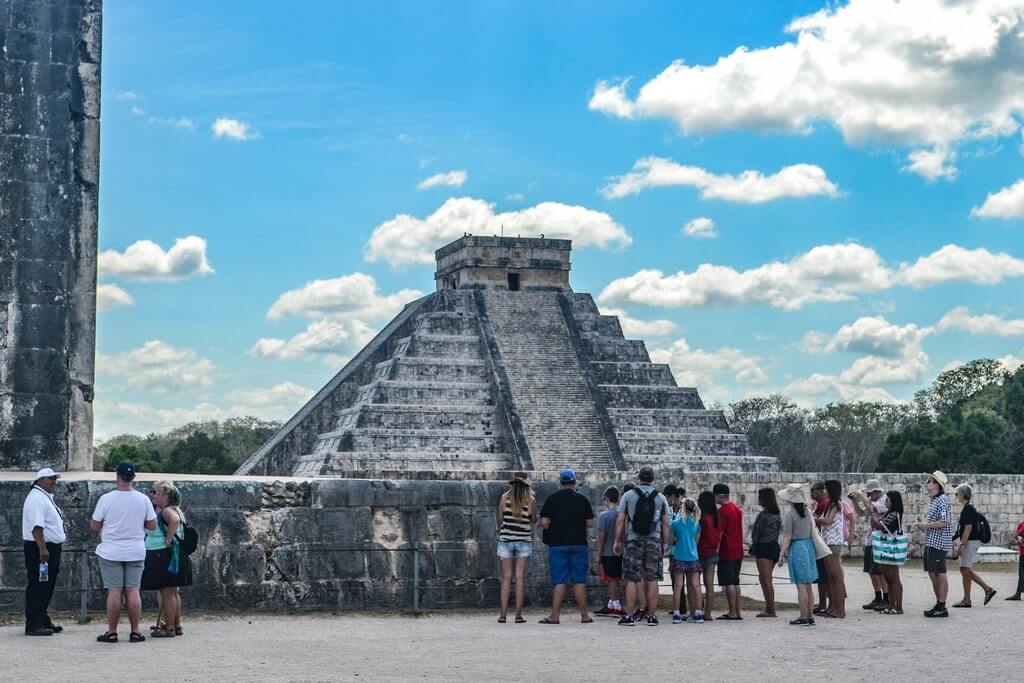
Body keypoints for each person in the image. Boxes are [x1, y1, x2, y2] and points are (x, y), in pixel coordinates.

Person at [91, 462, 158, 643]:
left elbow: (94, 524)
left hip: (111, 550)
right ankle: (135, 631)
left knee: (114, 591)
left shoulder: (106, 499)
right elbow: (152, 525)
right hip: (135, 550)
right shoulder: (143, 499)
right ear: (133, 478)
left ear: (117, 476)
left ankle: (112, 632)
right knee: (133, 590)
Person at [614, 466, 670, 626]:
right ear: (652, 479)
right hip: (653, 539)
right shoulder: (660, 498)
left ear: (639, 478)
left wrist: (618, 540)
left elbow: (620, 520)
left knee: (632, 578)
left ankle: (630, 616)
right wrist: (664, 544)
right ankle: (651, 616)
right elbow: (666, 523)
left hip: (633, 539)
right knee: (652, 578)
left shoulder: (628, 496)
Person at [538, 469, 594, 624]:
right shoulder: (582, 499)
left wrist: (555, 526)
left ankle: (555, 616)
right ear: (574, 482)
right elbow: (589, 523)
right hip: (578, 543)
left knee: (559, 580)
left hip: (558, 544)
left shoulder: (552, 499)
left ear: (561, 483)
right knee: (579, 580)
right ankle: (584, 615)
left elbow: (543, 522)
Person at [142, 481, 191, 637]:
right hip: (171, 555)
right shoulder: (174, 509)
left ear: (165, 496)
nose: (152, 495)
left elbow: (174, 521)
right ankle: (175, 625)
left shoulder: (167, 512)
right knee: (172, 592)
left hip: (162, 555)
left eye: (155, 492)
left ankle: (168, 628)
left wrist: (168, 539)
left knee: (167, 593)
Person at [21, 468, 67, 636]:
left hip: (47, 546)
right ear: (40, 481)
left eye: (55, 479)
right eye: (51, 479)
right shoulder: (37, 499)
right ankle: (33, 623)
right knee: (38, 585)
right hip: (41, 547)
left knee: (46, 585)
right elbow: (37, 526)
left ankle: (42, 617)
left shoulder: (43, 497)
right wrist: (42, 548)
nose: (54, 482)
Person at [495, 472, 536, 623]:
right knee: (520, 578)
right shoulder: (530, 500)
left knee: (506, 578)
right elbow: (533, 520)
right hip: (523, 540)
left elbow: (502, 518)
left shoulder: (504, 498)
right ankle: (518, 615)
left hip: (506, 539)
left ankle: (503, 615)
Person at [856, 489, 905, 615]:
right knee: (889, 579)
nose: (886, 501)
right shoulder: (891, 512)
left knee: (893, 578)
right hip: (888, 548)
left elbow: (881, 527)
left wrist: (873, 514)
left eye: (888, 499)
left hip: (889, 549)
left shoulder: (894, 514)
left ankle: (897, 606)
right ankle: (892, 605)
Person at [777, 484, 818, 626]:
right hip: (808, 545)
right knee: (808, 585)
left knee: (801, 585)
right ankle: (810, 615)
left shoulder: (790, 514)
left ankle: (803, 616)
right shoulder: (808, 512)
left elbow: (787, 537)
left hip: (797, 547)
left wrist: (781, 554)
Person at [913, 470, 952, 618]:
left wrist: (926, 526)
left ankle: (941, 605)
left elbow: (944, 522)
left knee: (939, 573)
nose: (927, 483)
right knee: (932, 572)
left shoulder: (942, 500)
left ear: (936, 485)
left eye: (930, 481)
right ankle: (939, 603)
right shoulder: (935, 500)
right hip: (932, 541)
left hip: (939, 542)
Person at [951, 484, 996, 608]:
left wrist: (962, 544)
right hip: (971, 541)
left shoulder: (968, 509)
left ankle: (968, 599)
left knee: (964, 569)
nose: (956, 496)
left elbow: (968, 528)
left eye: (957, 494)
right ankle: (987, 590)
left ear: (963, 495)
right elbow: (962, 529)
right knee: (965, 569)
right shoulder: (967, 509)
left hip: (970, 542)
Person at [849, 479, 889, 610]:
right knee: (871, 571)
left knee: (880, 572)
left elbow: (871, 510)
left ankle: (886, 598)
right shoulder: (872, 501)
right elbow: (861, 513)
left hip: (881, 540)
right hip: (871, 539)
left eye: (870, 493)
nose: (869, 496)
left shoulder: (883, 501)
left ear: (877, 492)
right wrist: (855, 501)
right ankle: (878, 597)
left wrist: (861, 496)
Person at [669, 498, 704, 623]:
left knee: (678, 586)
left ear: (682, 508)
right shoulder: (696, 523)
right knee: (696, 585)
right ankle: (699, 613)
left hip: (679, 556)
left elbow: (670, 541)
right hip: (693, 557)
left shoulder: (675, 523)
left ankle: (676, 613)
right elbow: (696, 541)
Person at [713, 483, 744, 620]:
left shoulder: (723, 511)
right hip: (738, 549)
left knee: (728, 582)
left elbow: (719, 532)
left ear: (719, 495)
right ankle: (737, 611)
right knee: (736, 581)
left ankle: (732, 611)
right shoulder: (737, 509)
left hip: (727, 550)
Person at [750, 487, 781, 618]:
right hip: (773, 546)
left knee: (765, 580)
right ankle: (769, 608)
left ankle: (770, 609)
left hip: (763, 547)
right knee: (767, 579)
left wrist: (753, 544)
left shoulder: (763, 515)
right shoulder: (777, 515)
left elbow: (756, 533)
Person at [819, 480, 847, 618]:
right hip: (827, 542)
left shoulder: (836, 504)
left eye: (825, 489)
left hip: (833, 543)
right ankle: (833, 606)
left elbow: (828, 521)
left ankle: (840, 609)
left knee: (836, 577)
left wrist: (814, 518)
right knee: (830, 577)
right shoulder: (830, 504)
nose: (823, 491)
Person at [594, 486, 624, 617]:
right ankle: (612, 602)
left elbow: (601, 537)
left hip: (607, 551)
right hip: (619, 551)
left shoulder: (603, 515)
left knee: (611, 579)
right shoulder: (621, 514)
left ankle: (616, 604)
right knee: (616, 579)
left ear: (607, 498)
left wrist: (598, 554)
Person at [696, 490, 721, 620]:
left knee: (695, 583)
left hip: (700, 552)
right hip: (712, 552)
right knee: (709, 584)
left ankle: (697, 610)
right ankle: (708, 613)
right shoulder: (716, 517)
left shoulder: (701, 518)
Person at [810, 481, 830, 615]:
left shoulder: (825, 504)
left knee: (824, 576)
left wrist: (811, 515)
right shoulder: (820, 505)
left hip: (824, 542)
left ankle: (824, 603)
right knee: (821, 576)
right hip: (820, 542)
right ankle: (823, 603)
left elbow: (822, 521)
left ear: (821, 491)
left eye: (814, 490)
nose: (812, 493)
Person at [1007, 518, 1024, 601]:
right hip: (1022, 552)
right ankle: (1018, 593)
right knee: (1021, 574)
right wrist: (1018, 540)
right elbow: (1017, 536)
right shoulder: (1021, 525)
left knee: (1022, 574)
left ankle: (1018, 594)